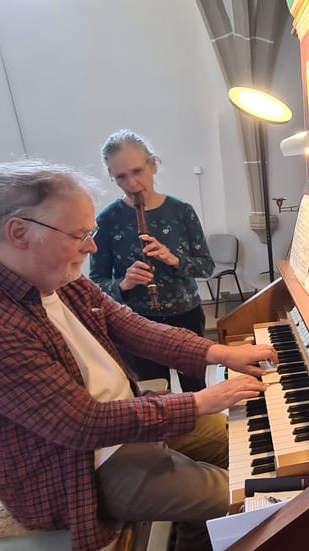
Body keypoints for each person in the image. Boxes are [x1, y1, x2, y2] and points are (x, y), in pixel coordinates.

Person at [0, 160, 277, 551]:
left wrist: (219, 353)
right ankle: (204, 543)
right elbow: (81, 424)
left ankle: (194, 540)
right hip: (73, 473)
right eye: (79, 235)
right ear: (19, 233)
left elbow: (132, 327)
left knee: (247, 435)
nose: (91, 247)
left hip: (122, 424)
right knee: (245, 495)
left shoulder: (59, 277)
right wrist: (201, 401)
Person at [90, 129, 214, 391]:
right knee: (155, 392)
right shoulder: (107, 220)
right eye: (121, 177)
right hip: (136, 323)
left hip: (186, 316)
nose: (132, 184)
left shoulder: (181, 211)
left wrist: (173, 259)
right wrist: (123, 284)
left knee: (196, 388)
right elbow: (97, 282)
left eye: (137, 171)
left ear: (153, 165)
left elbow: (206, 267)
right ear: (112, 177)